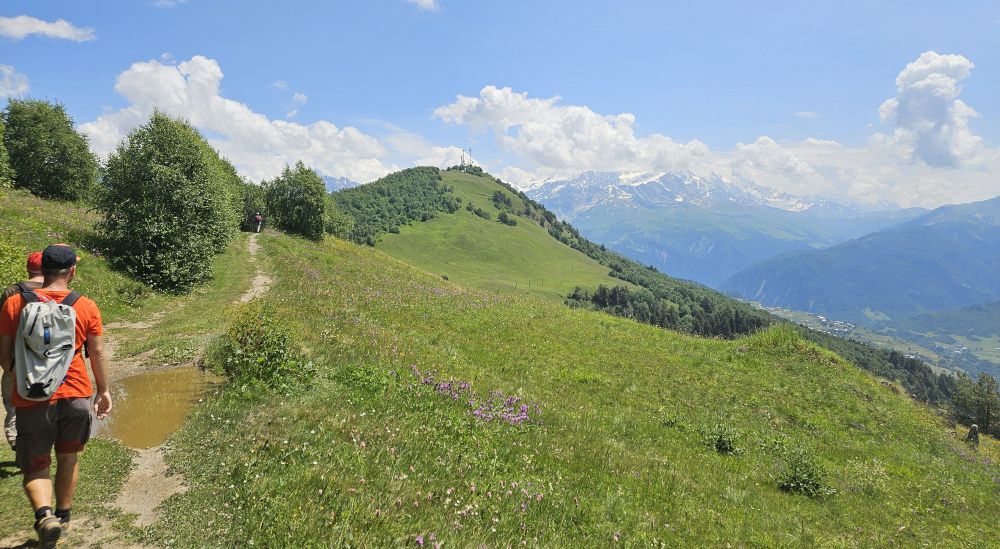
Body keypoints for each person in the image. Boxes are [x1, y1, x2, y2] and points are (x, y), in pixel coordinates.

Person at [0, 244, 112, 548]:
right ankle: (62, 518)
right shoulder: (85, 305)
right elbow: (97, 352)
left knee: (36, 464)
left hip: (32, 397)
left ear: (40, 270)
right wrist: (103, 391)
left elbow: (5, 354)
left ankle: (44, 515)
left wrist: (21, 378)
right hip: (75, 392)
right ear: (71, 271)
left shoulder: (15, 304)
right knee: (68, 456)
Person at [1, 251, 44, 452]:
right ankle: (37, 445)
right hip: (43, 360)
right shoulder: (52, 291)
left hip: (15, 359)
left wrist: (6, 365)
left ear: (28, 269)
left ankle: (19, 445)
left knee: (13, 405)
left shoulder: (11, 292)